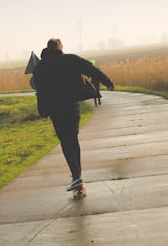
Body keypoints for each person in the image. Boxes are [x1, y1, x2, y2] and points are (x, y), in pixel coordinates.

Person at [32, 38, 114, 192]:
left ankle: (76, 176)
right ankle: (77, 176)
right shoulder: (70, 60)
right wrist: (107, 81)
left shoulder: (39, 68)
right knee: (73, 138)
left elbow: (40, 92)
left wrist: (42, 110)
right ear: (60, 47)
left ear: (46, 49)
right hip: (71, 106)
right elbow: (91, 69)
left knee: (65, 140)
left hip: (55, 109)